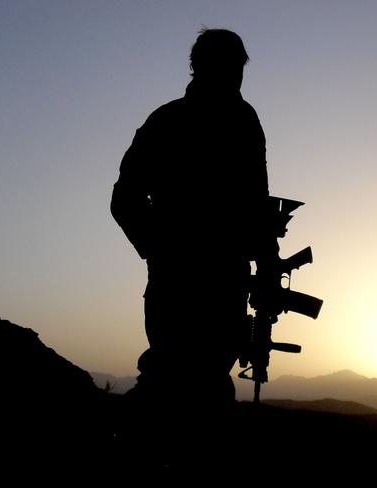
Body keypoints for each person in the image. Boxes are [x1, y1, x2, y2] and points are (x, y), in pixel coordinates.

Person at [111, 29, 276, 425]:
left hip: (224, 282)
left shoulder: (242, 120)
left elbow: (257, 203)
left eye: (237, 69)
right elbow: (124, 200)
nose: (234, 77)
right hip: (181, 284)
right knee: (173, 381)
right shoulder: (169, 122)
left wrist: (267, 266)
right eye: (228, 67)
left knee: (205, 385)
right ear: (199, 68)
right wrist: (163, 250)